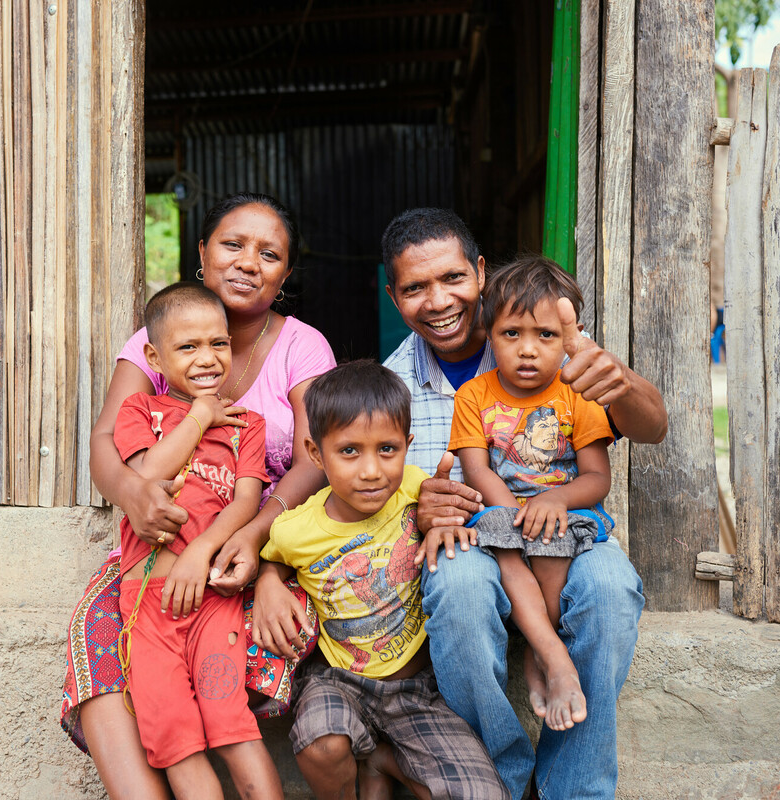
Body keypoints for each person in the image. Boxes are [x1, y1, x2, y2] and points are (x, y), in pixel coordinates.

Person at [378, 208, 667, 800]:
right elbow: (374, 494)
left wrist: (620, 377)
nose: (438, 301)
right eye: (415, 288)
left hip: (567, 527)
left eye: (452, 278)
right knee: (455, 590)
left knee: (611, 589)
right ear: (393, 297)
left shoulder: (550, 344)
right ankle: (495, 782)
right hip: (478, 538)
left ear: (480, 273)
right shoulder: (390, 386)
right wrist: (417, 508)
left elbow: (651, 428)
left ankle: (575, 789)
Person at [61, 193, 335, 798]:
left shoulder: (302, 345)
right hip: (156, 545)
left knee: (234, 675)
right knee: (103, 641)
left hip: (262, 541)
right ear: (203, 254)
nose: (248, 262)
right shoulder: (155, 339)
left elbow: (318, 458)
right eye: (232, 244)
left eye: (270, 254)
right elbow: (108, 440)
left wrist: (250, 543)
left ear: (285, 275)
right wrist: (135, 494)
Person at [258, 360, 508, 799]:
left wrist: (449, 520)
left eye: (387, 450)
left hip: (419, 689)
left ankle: (380, 759)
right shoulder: (294, 528)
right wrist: (267, 584)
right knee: (320, 742)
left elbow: (456, 514)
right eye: (349, 451)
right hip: (336, 682)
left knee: (482, 794)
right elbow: (274, 558)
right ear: (316, 454)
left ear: (408, 446)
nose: (372, 470)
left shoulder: (417, 488)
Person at [110, 283, 281, 798]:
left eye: (219, 344)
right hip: (150, 605)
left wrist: (201, 550)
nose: (207, 358)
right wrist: (201, 415)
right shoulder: (141, 411)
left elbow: (246, 501)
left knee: (229, 723)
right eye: (188, 347)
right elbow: (149, 476)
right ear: (154, 356)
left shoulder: (248, 424)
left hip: (213, 601)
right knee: (174, 737)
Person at [448, 256, 614, 734]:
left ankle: (539, 656)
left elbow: (596, 478)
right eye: (511, 334)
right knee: (504, 544)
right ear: (488, 333)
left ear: (570, 335)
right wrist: (511, 514)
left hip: (567, 510)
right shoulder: (473, 396)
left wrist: (553, 502)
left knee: (550, 540)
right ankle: (552, 655)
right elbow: (476, 468)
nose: (527, 350)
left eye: (545, 335)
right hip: (500, 507)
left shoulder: (578, 395)